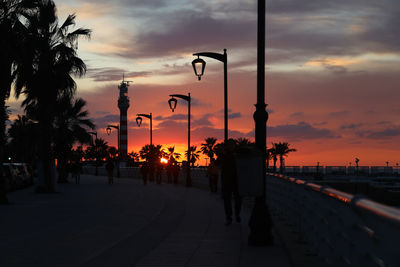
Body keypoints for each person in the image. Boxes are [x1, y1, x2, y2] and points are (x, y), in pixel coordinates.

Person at [220, 139, 242, 225]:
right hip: (226, 181)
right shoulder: (224, 155)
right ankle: (229, 217)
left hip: (237, 180)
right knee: (227, 200)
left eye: (232, 145)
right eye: (229, 145)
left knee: (238, 199)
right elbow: (217, 163)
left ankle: (237, 214)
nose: (231, 146)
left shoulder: (238, 155)